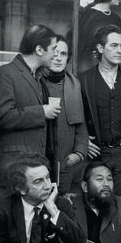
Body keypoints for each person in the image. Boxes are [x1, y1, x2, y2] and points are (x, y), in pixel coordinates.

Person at [0, 24, 60, 199]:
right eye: (53, 49)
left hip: (32, 171)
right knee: (8, 224)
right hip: (12, 171)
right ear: (39, 49)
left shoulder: (37, 77)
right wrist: (41, 112)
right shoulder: (4, 73)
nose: (56, 55)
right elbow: (2, 117)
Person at [79, 25, 121, 197]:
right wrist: (83, 139)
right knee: (97, 199)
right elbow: (75, 115)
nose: (119, 50)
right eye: (114, 45)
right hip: (97, 153)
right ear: (100, 48)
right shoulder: (84, 79)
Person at [41, 34, 88, 193]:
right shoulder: (35, 81)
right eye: (55, 53)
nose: (58, 58)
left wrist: (79, 153)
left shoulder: (74, 85)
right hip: (38, 162)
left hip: (65, 163)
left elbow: (81, 126)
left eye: (63, 54)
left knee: (61, 210)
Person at [77, 0, 121, 73]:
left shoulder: (116, 19)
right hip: (89, 72)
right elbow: (80, 52)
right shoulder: (87, 16)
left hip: (112, 73)